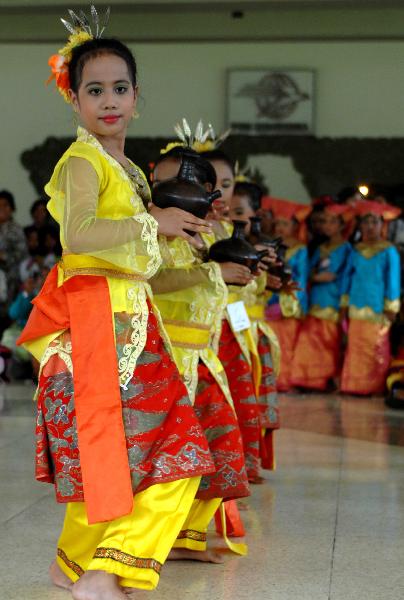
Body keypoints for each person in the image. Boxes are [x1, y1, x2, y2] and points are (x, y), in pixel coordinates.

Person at [17, 12, 217, 599]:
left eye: (120, 88)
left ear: (137, 98)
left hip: (126, 319)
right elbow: (78, 236)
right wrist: (152, 221)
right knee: (175, 454)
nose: (109, 101)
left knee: (118, 454)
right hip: (97, 322)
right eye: (94, 90)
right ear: (74, 100)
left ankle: (73, 566)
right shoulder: (83, 160)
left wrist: (177, 235)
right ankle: (104, 573)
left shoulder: (126, 169)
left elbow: (135, 252)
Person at [151, 142, 250, 559]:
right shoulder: (152, 233)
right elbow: (150, 282)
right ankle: (161, 538)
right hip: (164, 358)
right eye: (162, 183)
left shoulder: (198, 236)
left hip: (200, 358)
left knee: (216, 446)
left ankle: (186, 536)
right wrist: (212, 271)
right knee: (171, 457)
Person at [340, 200, 401, 395]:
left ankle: (374, 387)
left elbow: (392, 280)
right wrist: (343, 303)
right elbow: (346, 278)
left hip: (378, 307)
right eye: (366, 222)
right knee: (356, 347)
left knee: (376, 347)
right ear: (360, 225)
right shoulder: (355, 249)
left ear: (382, 224)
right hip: (356, 305)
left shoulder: (388, 250)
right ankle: (353, 386)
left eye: (374, 222)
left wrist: (391, 306)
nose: (370, 226)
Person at [291, 204, 352, 391]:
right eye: (325, 221)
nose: (327, 225)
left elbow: (342, 278)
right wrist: (313, 276)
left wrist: (343, 306)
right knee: (308, 341)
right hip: (315, 299)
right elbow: (308, 271)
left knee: (327, 343)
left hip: (332, 301)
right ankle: (306, 380)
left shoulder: (347, 249)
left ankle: (322, 381)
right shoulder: (320, 247)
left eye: (332, 221)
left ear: (342, 225)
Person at [262, 197, 311, 392]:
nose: (280, 228)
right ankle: (271, 379)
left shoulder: (300, 248)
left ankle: (284, 380)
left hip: (288, 302)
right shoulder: (270, 245)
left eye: (285, 224)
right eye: (277, 224)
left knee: (287, 343)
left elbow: (300, 278)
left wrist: (289, 302)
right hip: (270, 299)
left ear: (294, 226)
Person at [0, 189, 27, 304]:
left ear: (12, 208)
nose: (1, 208)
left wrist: (4, 256)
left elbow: (22, 254)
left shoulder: (16, 229)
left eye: (5, 205)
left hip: (11, 279)